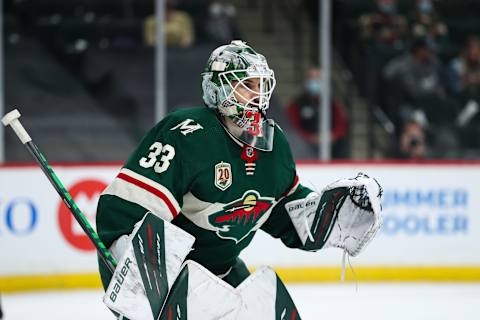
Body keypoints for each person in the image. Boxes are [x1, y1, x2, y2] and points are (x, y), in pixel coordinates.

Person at [96, 40, 383, 319]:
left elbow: (282, 213)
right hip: (169, 284)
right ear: (217, 89)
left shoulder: (274, 144)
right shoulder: (188, 133)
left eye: (261, 85)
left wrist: (326, 217)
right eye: (247, 85)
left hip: (220, 276)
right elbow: (125, 211)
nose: (257, 95)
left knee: (267, 305)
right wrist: (141, 280)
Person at [286, 67, 349, 159]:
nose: (315, 81)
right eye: (312, 78)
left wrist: (332, 136)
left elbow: (341, 124)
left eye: (318, 78)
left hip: (331, 146)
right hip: (305, 147)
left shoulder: (332, 103)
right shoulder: (296, 104)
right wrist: (311, 138)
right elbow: (291, 127)